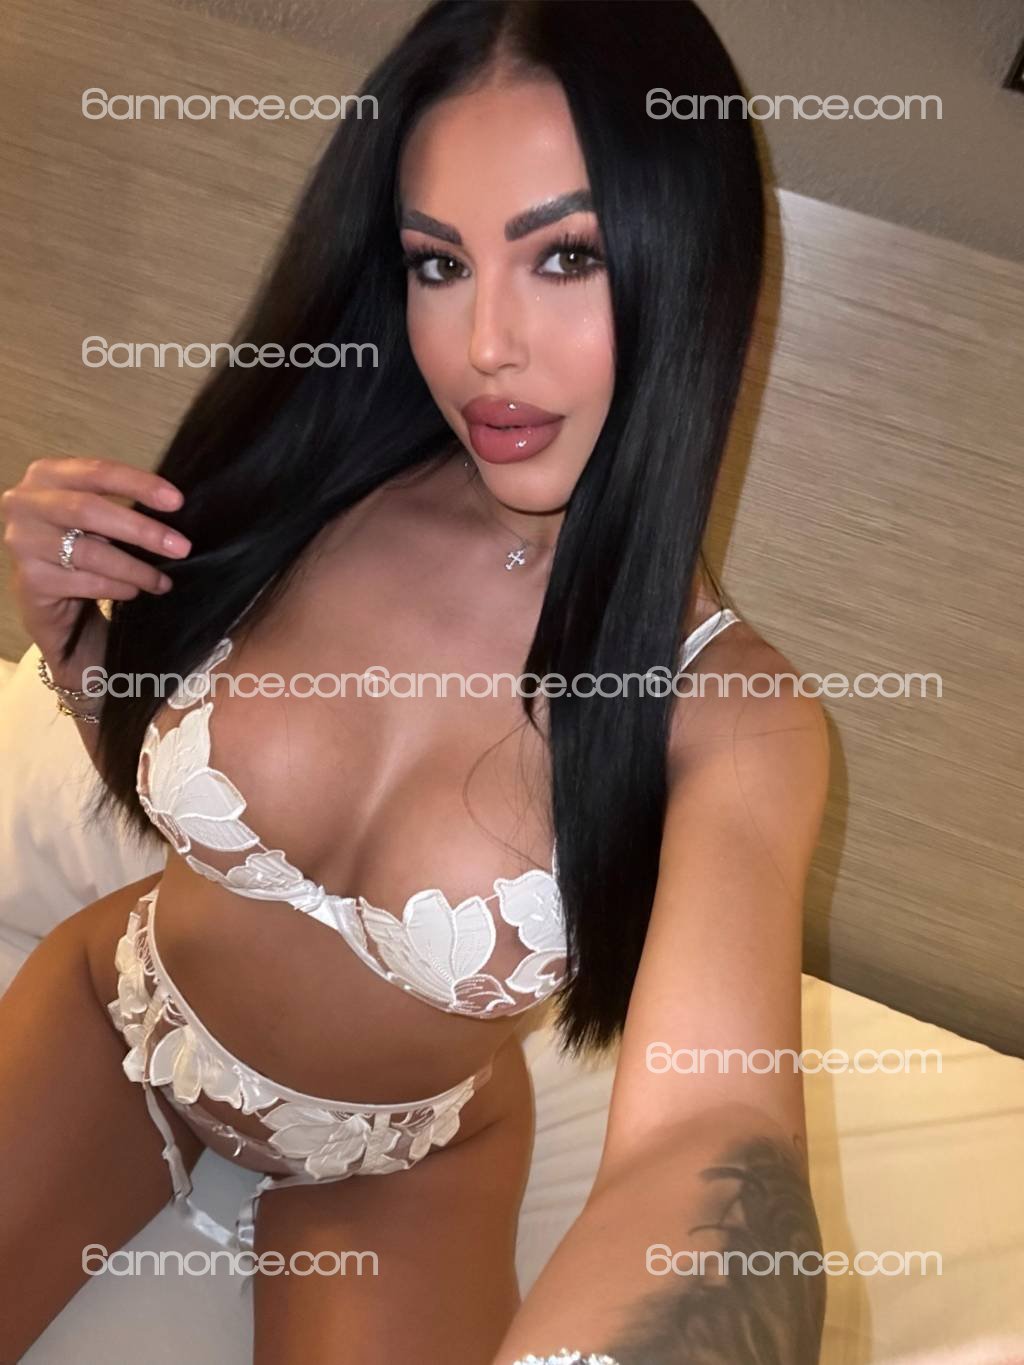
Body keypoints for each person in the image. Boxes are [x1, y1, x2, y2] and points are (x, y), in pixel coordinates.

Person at [0, 2, 830, 1361]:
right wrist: (73, 645)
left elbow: (710, 1127)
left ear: (695, 267)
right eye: (439, 264)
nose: (484, 342)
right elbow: (157, 783)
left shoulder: (730, 718)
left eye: (566, 256)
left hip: (398, 1155)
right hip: (128, 1010)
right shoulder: (308, 475)